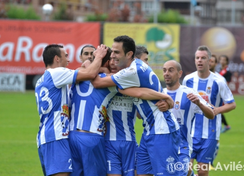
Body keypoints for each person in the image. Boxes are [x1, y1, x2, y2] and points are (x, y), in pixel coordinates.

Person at [68, 45, 174, 176]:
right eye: (111, 59)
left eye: (116, 59)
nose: (113, 62)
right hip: (108, 142)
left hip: (129, 141)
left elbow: (140, 113)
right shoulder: (109, 82)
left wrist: (165, 102)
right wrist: (164, 96)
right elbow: (140, 92)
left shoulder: (126, 79)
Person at [35, 44, 108, 176]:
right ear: (57, 58)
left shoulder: (42, 79)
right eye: (66, 56)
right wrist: (99, 56)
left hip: (46, 136)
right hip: (56, 137)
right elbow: (90, 73)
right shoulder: (57, 73)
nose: (68, 60)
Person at [183, 46, 236, 176]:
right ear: (195, 60)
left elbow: (232, 104)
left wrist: (216, 110)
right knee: (186, 169)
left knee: (202, 172)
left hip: (210, 133)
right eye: (197, 58)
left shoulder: (219, 81)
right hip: (190, 132)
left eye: (203, 58)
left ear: (209, 61)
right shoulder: (188, 80)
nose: (200, 60)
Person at [162, 60, 214, 176]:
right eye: (164, 70)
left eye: (171, 70)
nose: (166, 73)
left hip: (182, 146)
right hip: (162, 146)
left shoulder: (189, 93)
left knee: (182, 172)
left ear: (180, 74)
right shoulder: (159, 94)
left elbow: (211, 114)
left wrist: (199, 103)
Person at [218, 55, 232, 133]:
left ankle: (224, 126)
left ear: (226, 62)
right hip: (219, 93)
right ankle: (225, 126)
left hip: (222, 93)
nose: (222, 61)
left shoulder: (227, 71)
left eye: (224, 60)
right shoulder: (220, 70)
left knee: (219, 109)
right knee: (219, 110)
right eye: (221, 60)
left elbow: (226, 83)